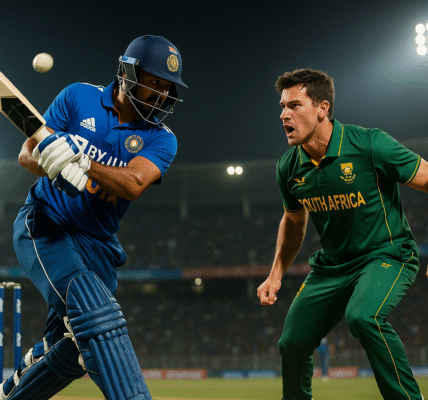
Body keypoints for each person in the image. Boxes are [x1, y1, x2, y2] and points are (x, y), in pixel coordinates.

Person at [0, 35, 188, 400]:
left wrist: (83, 161)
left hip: (98, 245)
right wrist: (51, 162)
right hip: (47, 225)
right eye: (155, 82)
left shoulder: (162, 139)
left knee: (72, 351)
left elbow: (133, 183)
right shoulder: (77, 97)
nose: (161, 95)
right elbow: (27, 154)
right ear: (128, 73)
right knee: (95, 310)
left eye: (167, 88)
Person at [257, 68, 427, 400]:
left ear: (322, 109)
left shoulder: (370, 144)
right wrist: (275, 274)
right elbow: (293, 221)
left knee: (363, 317)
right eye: (282, 106)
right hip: (332, 266)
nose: (283, 115)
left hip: (386, 254)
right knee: (292, 343)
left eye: (294, 105)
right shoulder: (288, 167)